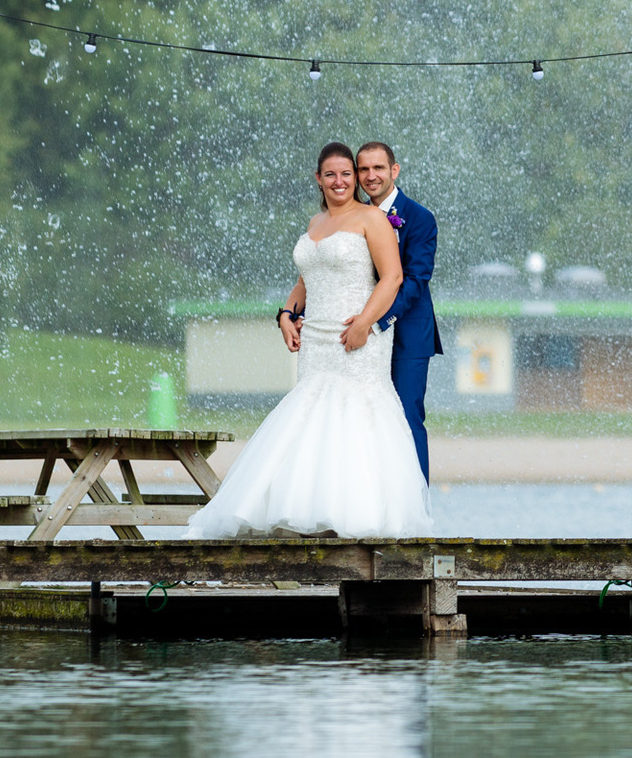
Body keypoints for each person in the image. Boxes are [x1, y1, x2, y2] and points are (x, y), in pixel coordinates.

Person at [184, 142, 431, 538]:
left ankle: (357, 514)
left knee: (355, 414)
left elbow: (395, 278)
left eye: (347, 174)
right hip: (316, 337)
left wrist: (366, 323)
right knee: (311, 416)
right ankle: (304, 511)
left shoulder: (372, 218)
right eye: (331, 174)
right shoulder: (315, 224)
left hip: (358, 334)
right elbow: (306, 278)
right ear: (318, 178)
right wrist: (286, 314)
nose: (341, 181)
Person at [354, 141, 442, 480]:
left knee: (406, 418)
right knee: (366, 417)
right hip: (362, 334)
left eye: (379, 168)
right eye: (364, 169)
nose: (371, 176)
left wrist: (377, 321)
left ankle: (417, 503)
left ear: (395, 170)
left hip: (407, 335)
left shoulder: (419, 218)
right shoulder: (354, 215)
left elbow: (416, 280)